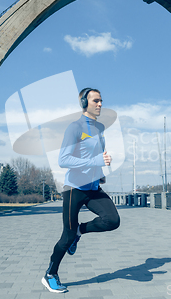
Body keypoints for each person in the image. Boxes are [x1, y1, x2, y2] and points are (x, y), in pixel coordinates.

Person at [42, 88, 120, 293]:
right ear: (84, 102)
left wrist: (100, 168)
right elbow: (64, 159)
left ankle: (80, 231)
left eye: (102, 100)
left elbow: (96, 154)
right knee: (66, 237)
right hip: (74, 189)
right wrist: (94, 160)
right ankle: (50, 274)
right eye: (96, 101)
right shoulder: (74, 127)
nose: (100, 104)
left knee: (112, 220)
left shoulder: (100, 127)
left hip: (94, 187)